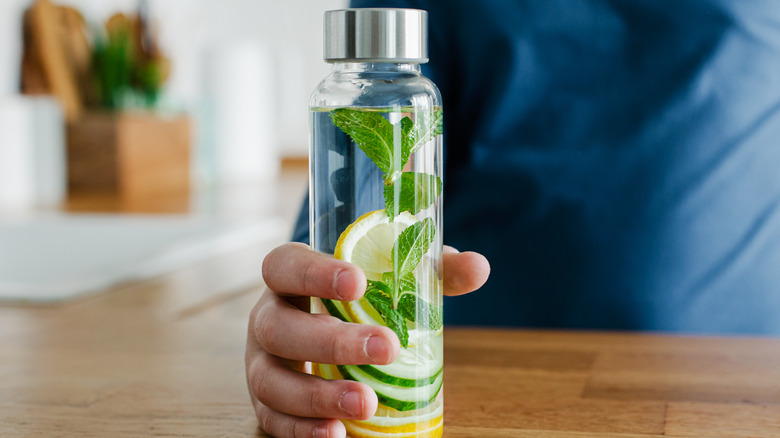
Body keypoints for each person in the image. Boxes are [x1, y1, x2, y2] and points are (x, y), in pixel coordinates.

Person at [246, 1, 780, 437]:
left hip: (740, 389)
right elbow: (348, 208)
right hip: (480, 392)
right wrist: (299, 325)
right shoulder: (399, 84)